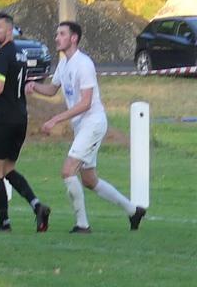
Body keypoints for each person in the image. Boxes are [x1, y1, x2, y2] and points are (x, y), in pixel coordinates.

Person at [25, 21, 146, 233]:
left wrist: (56, 119)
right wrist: (34, 86)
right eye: (56, 34)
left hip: (93, 122)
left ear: (73, 38)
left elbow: (86, 103)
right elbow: (53, 89)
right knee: (89, 180)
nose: (56, 38)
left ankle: (82, 225)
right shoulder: (64, 64)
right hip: (82, 125)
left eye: (61, 34)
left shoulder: (84, 64)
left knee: (67, 171)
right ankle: (133, 211)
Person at [0, 12, 50, 232]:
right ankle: (37, 206)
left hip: (1, 120)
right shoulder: (20, 54)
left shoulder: (2, 55)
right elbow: (9, 89)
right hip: (19, 118)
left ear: (9, 29)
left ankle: (4, 223)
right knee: (8, 168)